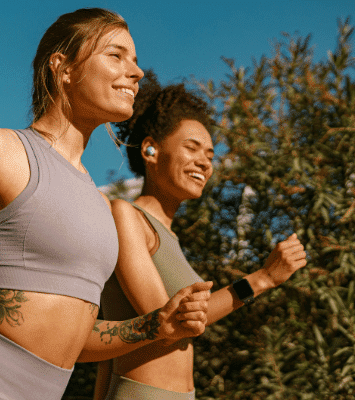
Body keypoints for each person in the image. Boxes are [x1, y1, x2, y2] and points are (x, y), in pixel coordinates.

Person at [0, 9, 214, 399]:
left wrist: (156, 324)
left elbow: (73, 337)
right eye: (116, 56)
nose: (137, 72)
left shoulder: (101, 204)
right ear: (62, 67)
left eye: (134, 60)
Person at [94, 74, 308, 400]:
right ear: (150, 150)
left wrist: (265, 279)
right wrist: (263, 278)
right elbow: (169, 322)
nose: (204, 163)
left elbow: (180, 322)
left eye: (210, 155)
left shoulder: (168, 235)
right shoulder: (127, 215)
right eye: (192, 148)